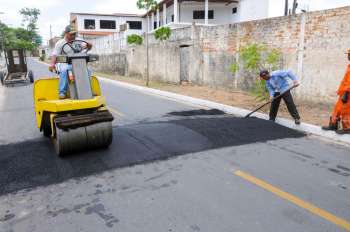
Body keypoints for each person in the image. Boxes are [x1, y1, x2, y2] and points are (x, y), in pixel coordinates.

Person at [49, 25, 92, 99]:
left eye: (74, 34)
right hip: (63, 63)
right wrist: (52, 64)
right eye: (71, 34)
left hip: (77, 63)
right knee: (65, 70)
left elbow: (87, 47)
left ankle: (88, 90)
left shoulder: (78, 41)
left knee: (88, 70)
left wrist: (89, 45)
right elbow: (54, 55)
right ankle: (62, 92)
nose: (73, 35)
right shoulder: (60, 43)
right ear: (66, 33)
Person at [322, 49, 350, 134]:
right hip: (344, 92)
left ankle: (347, 128)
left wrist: (346, 93)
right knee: (337, 109)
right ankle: (333, 125)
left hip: (348, 93)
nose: (347, 56)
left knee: (345, 111)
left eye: (349, 54)